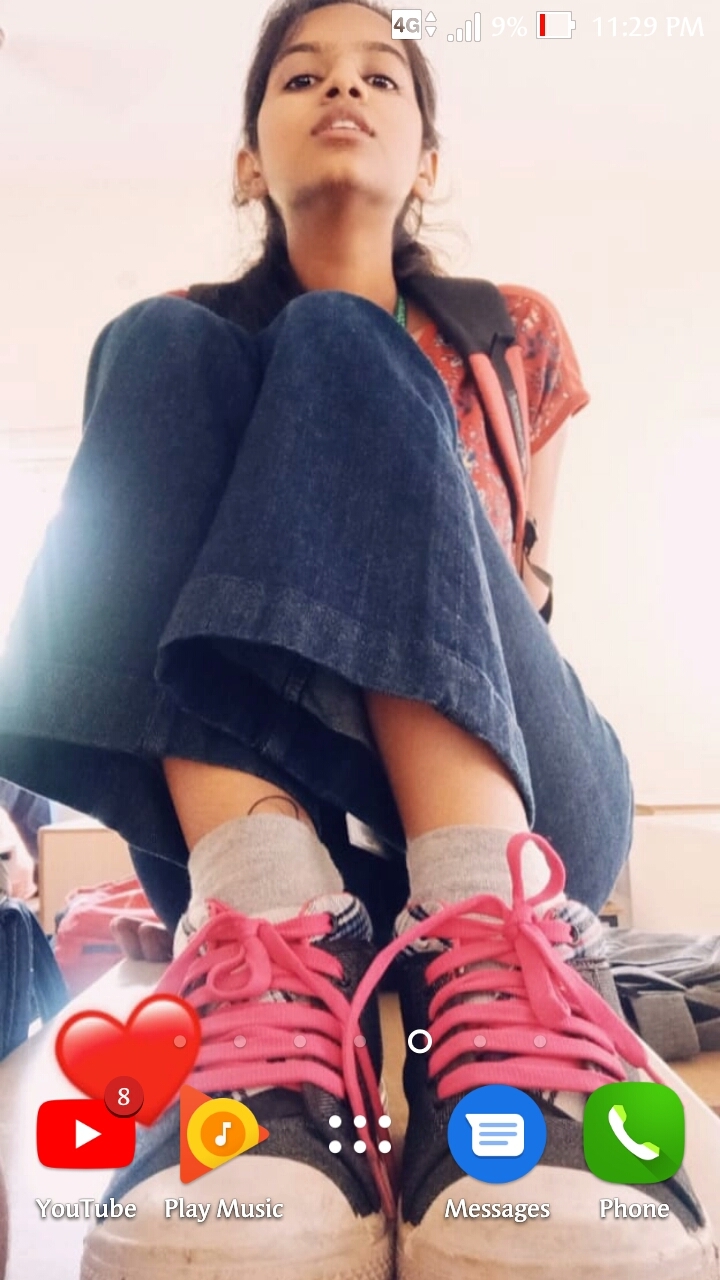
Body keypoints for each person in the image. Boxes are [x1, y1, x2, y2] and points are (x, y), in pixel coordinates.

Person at [0, 2, 714, 1278]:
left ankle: (489, 927)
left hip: (517, 799)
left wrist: (379, 447)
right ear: (247, 158)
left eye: (384, 76)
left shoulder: (511, 331)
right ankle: (271, 941)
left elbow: (527, 592)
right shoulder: (187, 354)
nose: (344, 90)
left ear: (426, 159)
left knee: (342, 339)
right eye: (302, 76)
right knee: (153, 336)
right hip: (256, 828)